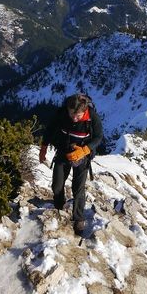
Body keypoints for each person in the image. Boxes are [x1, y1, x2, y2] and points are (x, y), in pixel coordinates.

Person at [39, 93, 104, 235]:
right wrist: (43, 148)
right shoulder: (62, 113)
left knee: (78, 188)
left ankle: (79, 219)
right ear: (67, 109)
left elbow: (99, 136)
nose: (74, 118)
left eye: (78, 116)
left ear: (85, 110)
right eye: (71, 114)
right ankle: (59, 206)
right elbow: (50, 129)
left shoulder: (92, 117)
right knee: (57, 185)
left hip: (82, 155)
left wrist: (85, 150)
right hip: (64, 151)